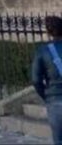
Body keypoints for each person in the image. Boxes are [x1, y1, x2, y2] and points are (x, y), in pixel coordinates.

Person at [33, 16, 62, 145]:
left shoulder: (43, 51)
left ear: (48, 32)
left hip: (55, 100)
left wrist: (46, 96)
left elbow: (36, 80)